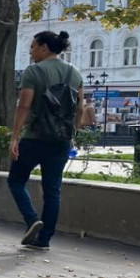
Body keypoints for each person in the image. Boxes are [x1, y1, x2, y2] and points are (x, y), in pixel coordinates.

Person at [7, 30, 84, 250]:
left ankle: (32, 219)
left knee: (16, 180)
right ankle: (44, 240)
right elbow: (79, 109)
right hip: (61, 140)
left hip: (34, 137)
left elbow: (24, 106)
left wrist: (15, 137)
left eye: (33, 46)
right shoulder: (74, 73)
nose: (31, 51)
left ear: (44, 47)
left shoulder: (33, 71)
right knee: (52, 189)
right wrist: (73, 133)